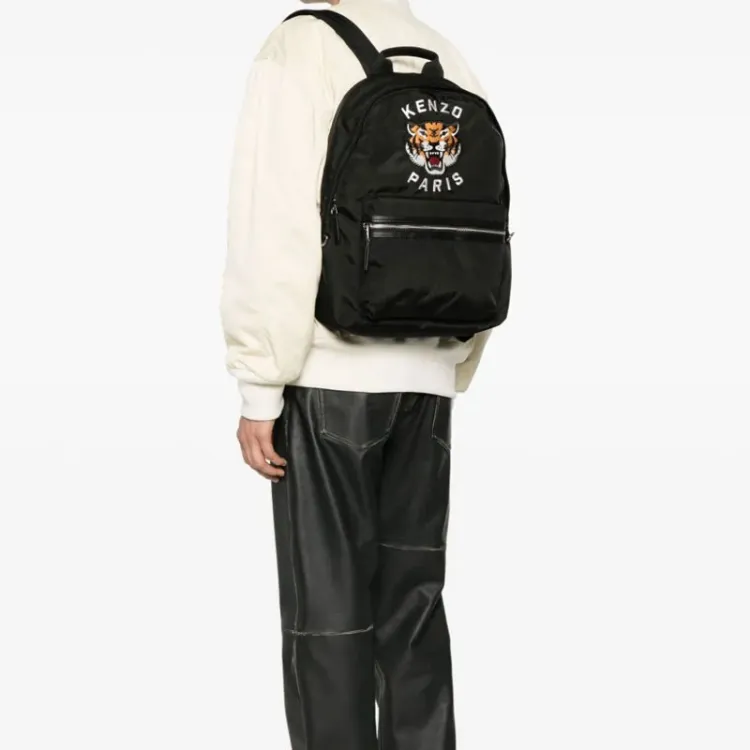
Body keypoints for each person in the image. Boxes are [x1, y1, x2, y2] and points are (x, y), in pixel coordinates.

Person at [221, 0, 494, 747]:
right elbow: (482, 224)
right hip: (429, 378)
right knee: (413, 616)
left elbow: (271, 223)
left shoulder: (299, 47)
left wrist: (259, 382)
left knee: (330, 623)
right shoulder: (444, 53)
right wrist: (456, 361)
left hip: (329, 380)